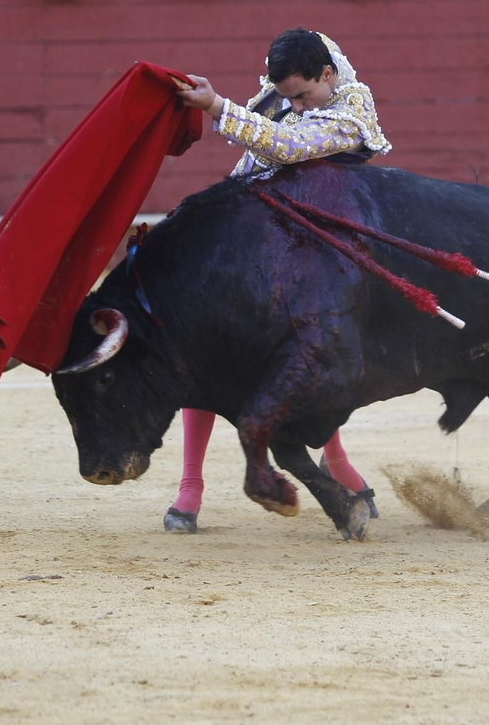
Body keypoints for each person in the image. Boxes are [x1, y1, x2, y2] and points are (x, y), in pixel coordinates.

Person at [162, 27, 389, 534]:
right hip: (249, 231)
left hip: (305, 256)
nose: (297, 105)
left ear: (327, 75)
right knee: (202, 339)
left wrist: (217, 105)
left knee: (310, 359)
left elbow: (286, 145)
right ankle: (190, 484)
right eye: (288, 96)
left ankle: (336, 465)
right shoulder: (290, 87)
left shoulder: (351, 116)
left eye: (303, 95)